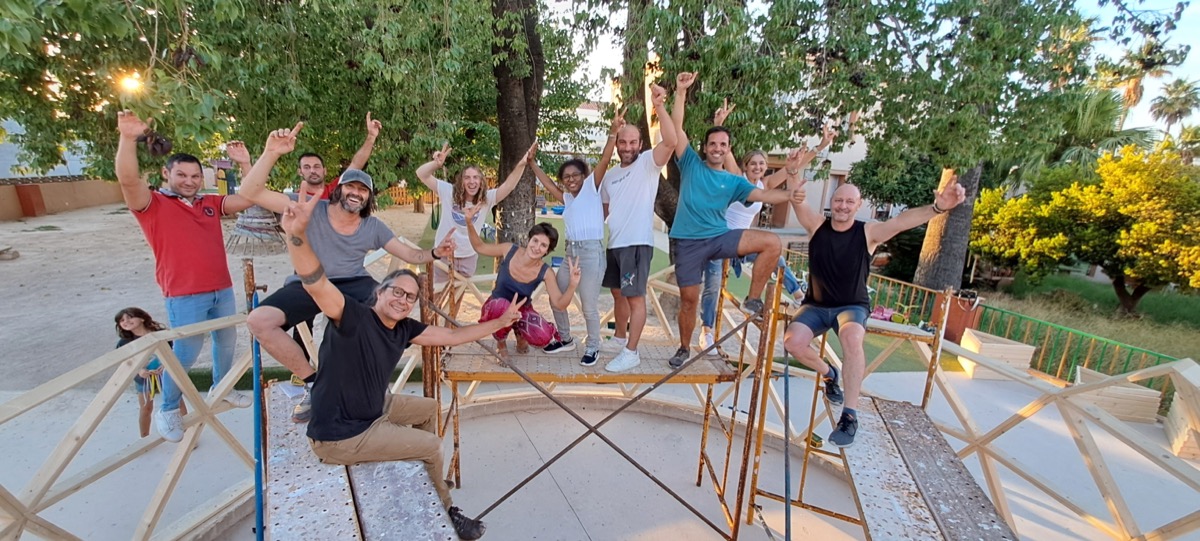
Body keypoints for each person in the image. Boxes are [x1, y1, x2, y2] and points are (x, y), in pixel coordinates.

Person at [279, 191, 511, 540]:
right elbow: (315, 281)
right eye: (397, 292)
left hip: (372, 409)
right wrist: (296, 236)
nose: (403, 299)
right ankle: (447, 511)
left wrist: (499, 323)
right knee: (431, 446)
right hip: (341, 435)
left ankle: (420, 474)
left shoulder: (404, 328)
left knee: (429, 408)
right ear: (379, 293)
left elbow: (451, 336)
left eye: (410, 297)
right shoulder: (351, 315)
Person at [239, 122, 454, 423]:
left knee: (386, 316)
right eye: (351, 186)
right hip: (307, 282)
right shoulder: (309, 207)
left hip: (352, 282)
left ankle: (373, 386)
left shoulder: (372, 226)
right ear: (339, 189)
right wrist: (270, 153)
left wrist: (434, 253)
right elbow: (250, 191)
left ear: (368, 198)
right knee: (259, 321)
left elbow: (410, 255)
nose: (356, 193)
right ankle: (314, 384)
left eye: (363, 190)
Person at [783, 175, 966, 448]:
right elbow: (798, 200)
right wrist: (792, 175)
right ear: (831, 203)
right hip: (816, 305)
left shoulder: (868, 232)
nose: (843, 206)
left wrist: (937, 209)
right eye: (838, 200)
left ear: (859, 205)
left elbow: (901, 222)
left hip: (851, 306)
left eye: (849, 201)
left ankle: (849, 415)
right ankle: (829, 373)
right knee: (792, 342)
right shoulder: (817, 225)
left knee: (851, 339)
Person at [115, 110, 255, 443]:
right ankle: (168, 408)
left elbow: (249, 197)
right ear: (166, 173)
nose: (190, 181)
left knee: (226, 343)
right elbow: (128, 181)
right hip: (184, 292)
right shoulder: (153, 204)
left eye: (195, 175)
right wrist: (127, 138)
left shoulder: (209, 202)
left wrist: (246, 164)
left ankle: (222, 389)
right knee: (186, 354)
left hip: (221, 288)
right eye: (182, 175)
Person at [665, 73, 806, 369]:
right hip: (688, 242)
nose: (717, 148)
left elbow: (765, 195)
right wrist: (680, 92)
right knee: (689, 299)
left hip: (719, 237)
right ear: (705, 147)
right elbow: (676, 129)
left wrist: (792, 188)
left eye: (723, 144)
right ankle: (683, 347)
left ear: (729, 149)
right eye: (713, 143)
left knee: (771, 243)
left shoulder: (732, 181)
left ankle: (752, 299)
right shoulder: (691, 164)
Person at [697, 103, 830, 355]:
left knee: (775, 257)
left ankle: (799, 294)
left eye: (762, 164)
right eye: (753, 164)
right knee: (713, 285)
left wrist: (821, 146)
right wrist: (720, 122)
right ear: (745, 166)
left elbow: (794, 166)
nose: (757, 167)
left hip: (742, 243)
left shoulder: (765, 183)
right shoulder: (737, 178)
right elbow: (723, 150)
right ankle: (706, 332)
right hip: (720, 240)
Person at [598, 83, 677, 373]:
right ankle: (620, 339)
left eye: (633, 142)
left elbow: (669, 141)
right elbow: (603, 212)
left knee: (634, 296)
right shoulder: (610, 176)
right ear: (617, 143)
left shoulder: (647, 164)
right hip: (616, 244)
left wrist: (658, 106)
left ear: (640, 144)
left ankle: (631, 352)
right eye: (623, 142)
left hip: (636, 244)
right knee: (618, 293)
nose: (628, 147)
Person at [529, 132, 616, 366]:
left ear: (584, 175)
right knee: (556, 298)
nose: (570, 179)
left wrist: (613, 133)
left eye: (575, 175)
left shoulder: (592, 188)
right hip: (570, 254)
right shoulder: (567, 198)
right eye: (566, 177)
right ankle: (565, 338)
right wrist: (532, 163)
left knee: (588, 305)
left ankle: (592, 346)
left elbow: (605, 159)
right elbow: (547, 183)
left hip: (591, 254)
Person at [463, 203, 581, 360]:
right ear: (529, 239)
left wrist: (573, 285)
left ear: (547, 251)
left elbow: (559, 304)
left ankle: (519, 331)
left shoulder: (546, 271)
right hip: (498, 306)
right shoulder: (509, 250)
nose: (537, 247)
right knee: (502, 306)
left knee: (543, 336)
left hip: (521, 311)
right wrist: (469, 222)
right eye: (535, 241)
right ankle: (501, 342)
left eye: (543, 245)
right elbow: (480, 247)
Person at [415, 140, 536, 283]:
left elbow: (509, 185)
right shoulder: (448, 191)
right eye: (467, 177)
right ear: (461, 181)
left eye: (475, 177)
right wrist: (436, 164)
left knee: (457, 300)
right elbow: (421, 174)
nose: (471, 181)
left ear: (481, 181)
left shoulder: (487, 198)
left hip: (469, 257)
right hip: (443, 254)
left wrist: (522, 163)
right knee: (436, 297)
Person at [114, 307, 186, 438]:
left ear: (142, 318)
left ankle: (188, 433)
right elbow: (125, 363)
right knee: (146, 408)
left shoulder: (160, 334)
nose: (126, 321)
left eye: (130, 317)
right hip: (143, 380)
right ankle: (144, 438)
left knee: (177, 404)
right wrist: (139, 370)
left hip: (166, 375)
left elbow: (176, 350)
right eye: (122, 320)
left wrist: (165, 365)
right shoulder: (124, 343)